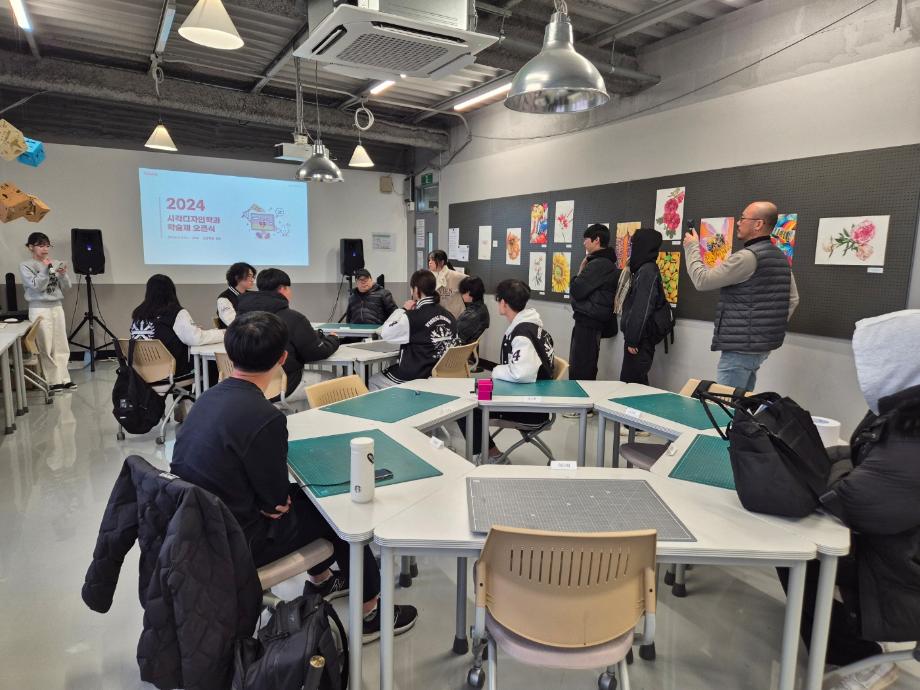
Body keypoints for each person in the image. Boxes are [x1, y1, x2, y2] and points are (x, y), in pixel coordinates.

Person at [170, 311, 417, 642]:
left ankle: (322, 580)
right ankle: (371, 612)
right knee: (340, 511)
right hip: (240, 542)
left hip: (199, 529)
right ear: (283, 358)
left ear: (229, 354)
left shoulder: (206, 399)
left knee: (306, 501)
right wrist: (274, 503)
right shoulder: (265, 417)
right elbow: (276, 504)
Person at [778, 310, 920, 690]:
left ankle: (858, 657)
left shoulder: (911, 430)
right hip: (900, 547)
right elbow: (859, 458)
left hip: (904, 569)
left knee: (797, 552)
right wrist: (829, 461)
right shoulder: (902, 413)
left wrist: (825, 469)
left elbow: (857, 500)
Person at [683, 201, 799, 391]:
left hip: (740, 349)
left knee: (725, 403)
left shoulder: (747, 257)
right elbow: (793, 299)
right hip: (760, 347)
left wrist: (692, 247)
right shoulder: (780, 257)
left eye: (743, 218)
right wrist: (765, 329)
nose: (738, 222)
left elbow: (702, 281)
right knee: (742, 402)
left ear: (758, 224)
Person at [458, 279, 555, 460]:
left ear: (503, 302)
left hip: (529, 410)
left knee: (465, 408)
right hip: (524, 397)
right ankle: (489, 452)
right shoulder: (531, 326)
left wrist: (497, 370)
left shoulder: (523, 335)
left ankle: (492, 455)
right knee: (473, 396)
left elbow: (520, 373)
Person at [236, 268, 339, 402]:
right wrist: (333, 339)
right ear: (282, 289)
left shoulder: (241, 317)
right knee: (335, 380)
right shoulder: (294, 318)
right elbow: (317, 352)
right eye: (289, 288)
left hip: (247, 388)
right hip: (284, 386)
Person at [369, 269, 457, 390]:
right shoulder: (449, 315)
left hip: (416, 376)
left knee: (373, 380)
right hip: (441, 375)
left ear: (415, 290)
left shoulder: (412, 317)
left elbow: (386, 333)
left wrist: (403, 309)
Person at [129, 274, 223, 384]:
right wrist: (223, 333)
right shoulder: (175, 312)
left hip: (140, 373)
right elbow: (196, 338)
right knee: (211, 364)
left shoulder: (138, 314)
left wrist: (191, 329)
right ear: (171, 291)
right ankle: (199, 395)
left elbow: (162, 332)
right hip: (171, 372)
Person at [20, 232, 76, 391]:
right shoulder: (26, 265)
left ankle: (65, 378)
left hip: (56, 305)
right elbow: (36, 286)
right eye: (41, 245)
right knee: (46, 344)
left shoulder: (55, 262)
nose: (45, 249)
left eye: (47, 245)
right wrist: (47, 269)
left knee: (61, 343)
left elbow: (66, 286)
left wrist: (63, 275)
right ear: (30, 247)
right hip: (39, 307)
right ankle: (53, 380)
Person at [568, 224, 619, 381]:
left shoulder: (599, 264)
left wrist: (580, 270)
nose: (584, 243)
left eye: (586, 239)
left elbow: (576, 289)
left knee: (581, 368)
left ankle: (580, 397)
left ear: (596, 240)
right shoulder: (603, 262)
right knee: (583, 365)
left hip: (588, 322)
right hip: (590, 321)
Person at [619, 228, 664, 385]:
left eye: (634, 244)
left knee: (632, 385)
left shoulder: (647, 271)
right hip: (639, 338)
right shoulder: (643, 269)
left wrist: (633, 339)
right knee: (633, 383)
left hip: (640, 340)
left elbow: (642, 309)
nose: (632, 248)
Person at [216, 262, 256, 328]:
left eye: (253, 276)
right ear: (237, 277)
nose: (252, 280)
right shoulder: (224, 299)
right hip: (236, 332)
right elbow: (233, 323)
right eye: (249, 276)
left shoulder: (251, 295)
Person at [427, 250, 466, 318]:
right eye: (429, 260)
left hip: (456, 316)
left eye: (433, 260)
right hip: (438, 315)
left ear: (442, 262)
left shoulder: (455, 276)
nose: (430, 262)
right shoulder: (427, 276)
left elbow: (472, 283)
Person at [456, 275, 490, 345]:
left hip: (460, 348)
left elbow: (455, 336)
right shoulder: (483, 308)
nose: (461, 295)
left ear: (469, 292)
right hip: (470, 347)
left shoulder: (470, 316)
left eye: (463, 292)